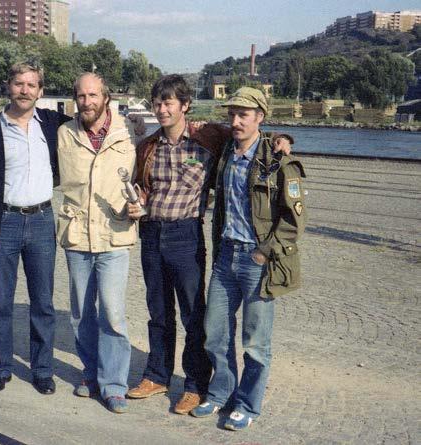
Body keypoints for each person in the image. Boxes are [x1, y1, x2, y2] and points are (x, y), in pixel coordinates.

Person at [127, 76, 292, 415]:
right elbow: (141, 186)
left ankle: (194, 384)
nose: (162, 109)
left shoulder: (208, 138)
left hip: (186, 236)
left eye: (169, 102)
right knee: (158, 312)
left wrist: (282, 138)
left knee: (193, 315)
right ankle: (157, 375)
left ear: (184, 105)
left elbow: (249, 135)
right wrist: (136, 204)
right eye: (157, 103)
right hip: (151, 233)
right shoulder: (147, 146)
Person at [190, 87, 307, 430]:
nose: (236, 120)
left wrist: (263, 252)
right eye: (232, 114)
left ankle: (248, 404)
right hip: (226, 256)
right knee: (215, 333)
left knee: (255, 341)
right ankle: (221, 393)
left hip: (257, 262)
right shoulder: (226, 150)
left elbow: (294, 220)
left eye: (244, 114)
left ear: (260, 118)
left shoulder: (279, 161)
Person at [0, 62, 70, 395]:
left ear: (41, 90)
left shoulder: (53, 124)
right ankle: (0, 369)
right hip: (3, 223)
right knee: (1, 302)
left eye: (32, 85)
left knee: (42, 303)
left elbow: (93, 125)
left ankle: (42, 370)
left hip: (41, 221)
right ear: (8, 87)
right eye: (19, 84)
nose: (25, 90)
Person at [56, 72, 138, 414]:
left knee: (113, 315)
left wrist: (279, 138)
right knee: (81, 315)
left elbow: (182, 136)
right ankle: (90, 374)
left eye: (93, 95)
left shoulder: (131, 132)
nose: (86, 102)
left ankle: (115, 384)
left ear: (106, 97)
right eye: (81, 96)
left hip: (114, 237)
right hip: (76, 236)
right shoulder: (63, 133)